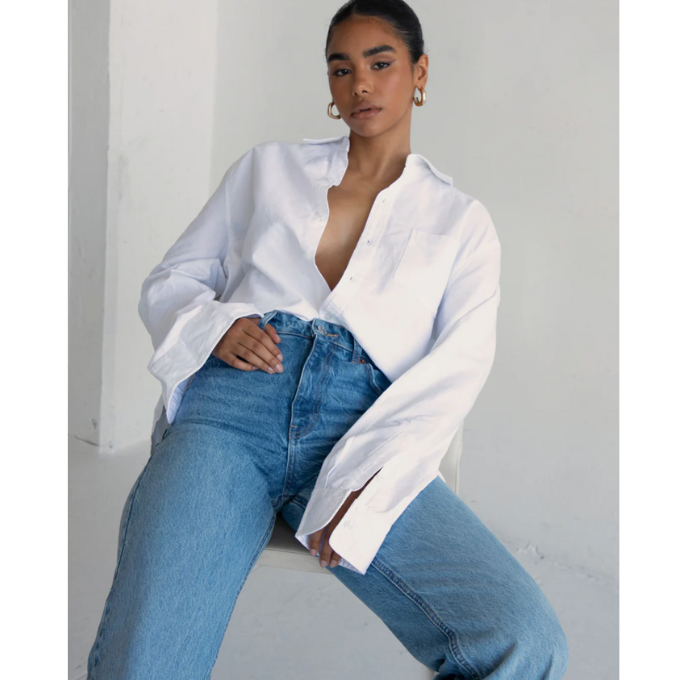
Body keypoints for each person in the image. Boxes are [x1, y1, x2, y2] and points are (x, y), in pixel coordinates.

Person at [86, 1, 569, 678]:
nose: (360, 84)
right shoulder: (266, 170)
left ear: (420, 72)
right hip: (231, 414)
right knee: (147, 658)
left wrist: (370, 481)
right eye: (341, 69)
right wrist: (215, 325)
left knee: (524, 639)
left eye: (380, 63)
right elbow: (173, 279)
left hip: (364, 429)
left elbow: (457, 370)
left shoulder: (461, 222)